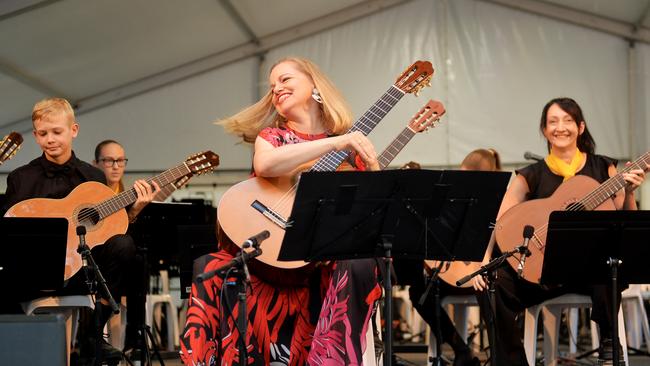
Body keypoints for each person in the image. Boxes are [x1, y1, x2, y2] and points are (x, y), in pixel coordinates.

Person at [180, 57, 382, 366]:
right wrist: (338, 142)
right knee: (207, 266)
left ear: (315, 86)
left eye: (285, 80)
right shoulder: (273, 137)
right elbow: (266, 165)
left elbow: (367, 211)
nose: (277, 88)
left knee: (363, 262)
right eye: (273, 85)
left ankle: (330, 359)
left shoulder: (346, 146)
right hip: (269, 250)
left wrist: (371, 168)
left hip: (318, 255)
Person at [472, 97, 649, 365]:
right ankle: (512, 361)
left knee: (610, 265)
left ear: (580, 127)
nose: (560, 127)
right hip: (543, 272)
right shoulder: (531, 174)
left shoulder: (604, 168)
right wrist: (483, 261)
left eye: (567, 120)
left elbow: (623, 224)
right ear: (544, 130)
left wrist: (629, 192)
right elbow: (499, 220)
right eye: (553, 121)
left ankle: (611, 348)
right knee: (491, 284)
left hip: (590, 272)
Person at [1, 98, 159, 364]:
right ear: (35, 135)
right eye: (42, 133)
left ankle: (92, 334)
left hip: (81, 275)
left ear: (74, 130)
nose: (50, 139)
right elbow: (9, 232)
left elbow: (107, 233)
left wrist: (133, 212)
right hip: (35, 276)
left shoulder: (94, 178)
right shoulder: (20, 178)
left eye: (57, 131)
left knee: (125, 245)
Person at [396, 151, 500, 366]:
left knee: (496, 293)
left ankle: (501, 353)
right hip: (453, 276)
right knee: (420, 292)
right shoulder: (451, 199)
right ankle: (460, 348)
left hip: (483, 278)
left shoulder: (498, 199)